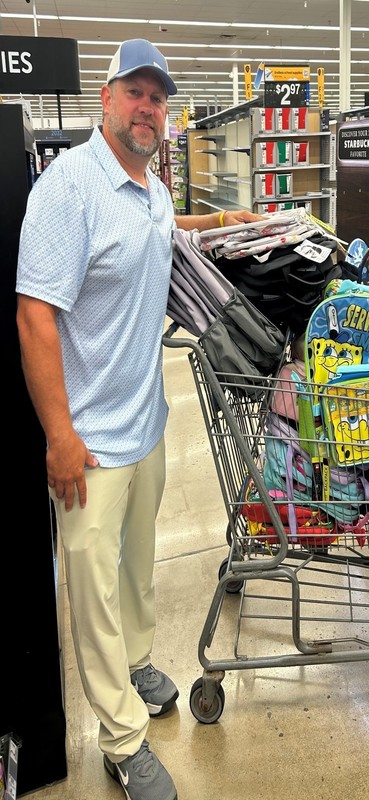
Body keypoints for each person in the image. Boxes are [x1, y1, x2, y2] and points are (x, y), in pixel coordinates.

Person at [16, 38, 261, 800]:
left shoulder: (150, 187)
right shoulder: (67, 188)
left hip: (146, 422)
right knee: (89, 590)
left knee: (133, 567)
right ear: (107, 98)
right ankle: (122, 741)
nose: (148, 107)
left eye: (159, 98)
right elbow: (33, 317)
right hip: (88, 442)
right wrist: (60, 436)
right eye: (136, 93)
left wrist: (227, 219)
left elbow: (163, 232)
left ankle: (138, 661)